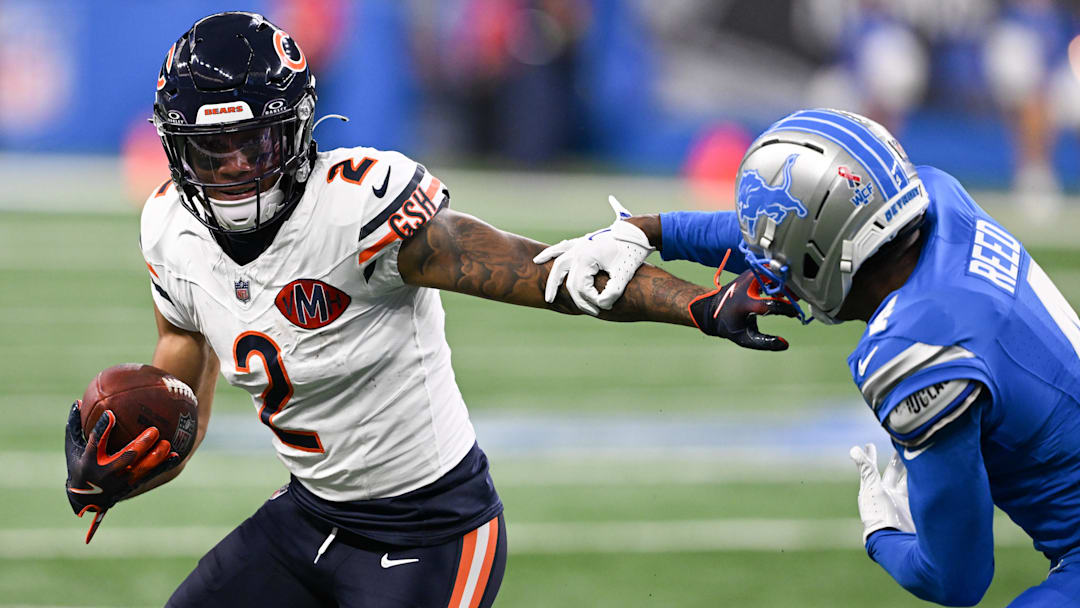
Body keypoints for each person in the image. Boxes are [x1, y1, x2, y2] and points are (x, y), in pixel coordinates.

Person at [60, 12, 796, 608]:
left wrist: (697, 304)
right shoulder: (169, 227)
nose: (233, 171)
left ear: (296, 130)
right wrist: (140, 448)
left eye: (251, 143)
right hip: (310, 513)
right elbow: (182, 361)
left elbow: (541, 273)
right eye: (209, 150)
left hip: (433, 530)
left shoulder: (354, 209)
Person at [539, 108, 1080, 607]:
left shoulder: (914, 352)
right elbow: (806, 235)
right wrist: (649, 231)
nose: (770, 272)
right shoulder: (939, 199)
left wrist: (885, 534)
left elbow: (957, 578)